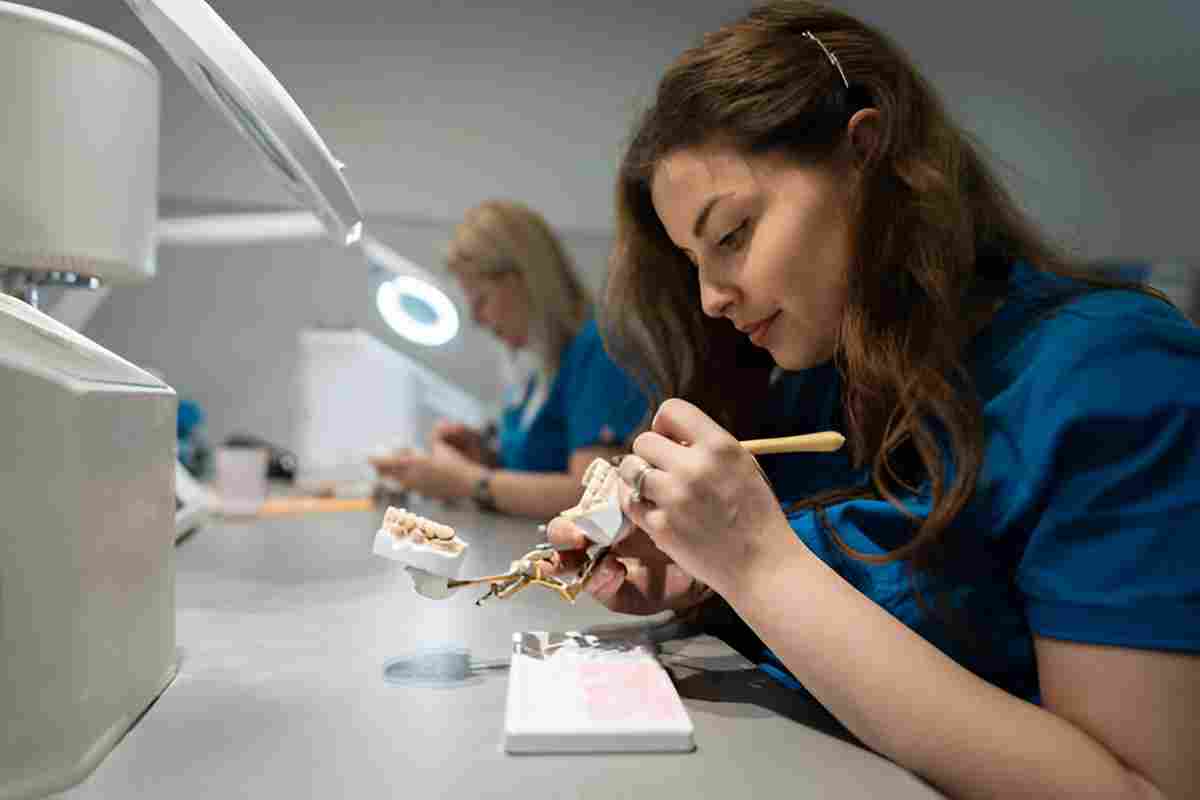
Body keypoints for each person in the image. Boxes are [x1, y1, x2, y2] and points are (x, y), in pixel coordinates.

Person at [547, 2, 1199, 797]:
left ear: (866, 154)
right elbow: (851, 611)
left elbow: (1142, 788)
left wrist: (755, 563)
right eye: (691, 260)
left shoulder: (1112, 369)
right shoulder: (829, 378)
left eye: (731, 235)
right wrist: (706, 572)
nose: (711, 299)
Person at [371, 199, 647, 520]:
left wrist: (466, 481)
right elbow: (541, 465)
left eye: (481, 300)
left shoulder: (598, 349)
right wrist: (484, 457)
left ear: (521, 279)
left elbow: (595, 498)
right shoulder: (541, 369)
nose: (476, 318)